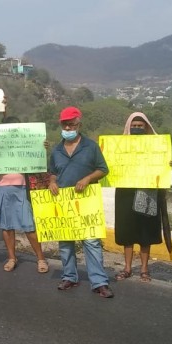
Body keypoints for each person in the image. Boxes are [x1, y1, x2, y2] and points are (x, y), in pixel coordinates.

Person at [49, 106, 112, 298]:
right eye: (65, 124)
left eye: (71, 124)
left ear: (79, 124)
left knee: (91, 241)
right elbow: (52, 172)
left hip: (86, 201)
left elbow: (103, 169)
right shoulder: (56, 150)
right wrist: (52, 181)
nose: (68, 128)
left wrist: (88, 178)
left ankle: (99, 282)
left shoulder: (90, 147)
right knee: (65, 241)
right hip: (63, 201)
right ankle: (69, 276)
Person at [114, 112, 171, 283]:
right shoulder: (119, 146)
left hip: (148, 191)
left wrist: (169, 164)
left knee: (146, 231)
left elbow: (162, 165)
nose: (137, 128)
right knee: (127, 231)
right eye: (134, 126)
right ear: (128, 127)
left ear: (146, 127)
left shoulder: (156, 146)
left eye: (140, 126)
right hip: (125, 192)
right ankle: (127, 267)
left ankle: (145, 269)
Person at [0, 116, 49, 273]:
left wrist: (42, 148)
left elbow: (37, 162)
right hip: (1, 187)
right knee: (7, 226)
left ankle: (41, 258)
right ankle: (11, 258)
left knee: (29, 225)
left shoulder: (25, 142)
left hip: (22, 187)